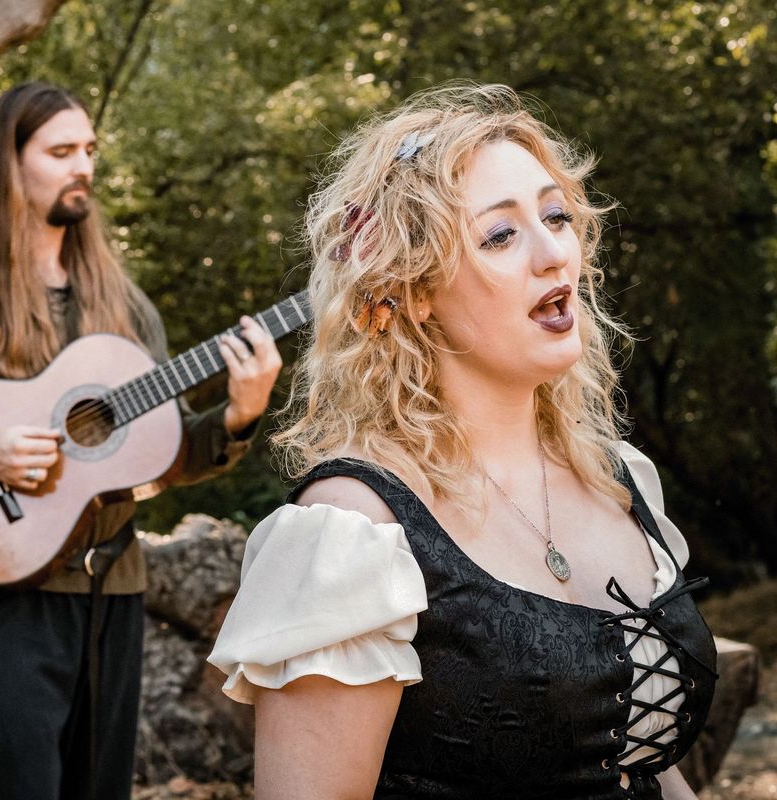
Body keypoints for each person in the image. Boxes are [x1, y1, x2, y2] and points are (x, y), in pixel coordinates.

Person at [208, 83, 716, 800]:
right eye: (500, 235)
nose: (552, 255)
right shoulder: (353, 532)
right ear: (414, 291)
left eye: (556, 215)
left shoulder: (617, 478)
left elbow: (640, 762)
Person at [0, 81, 282, 800]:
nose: (83, 166)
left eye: (89, 150)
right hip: (4, 590)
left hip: (115, 590)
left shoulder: (124, 305)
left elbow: (158, 459)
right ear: (10, 165)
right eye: (61, 151)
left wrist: (236, 418)